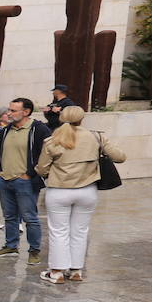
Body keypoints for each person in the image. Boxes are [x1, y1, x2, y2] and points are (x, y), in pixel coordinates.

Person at [36, 105, 125, 283]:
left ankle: (57, 272)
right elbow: (120, 157)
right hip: (87, 191)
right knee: (80, 231)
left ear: (61, 118)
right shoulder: (96, 136)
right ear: (82, 118)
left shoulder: (52, 140)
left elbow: (42, 169)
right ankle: (76, 270)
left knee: (58, 232)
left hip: (59, 190)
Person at [0, 97, 51, 265]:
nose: (8, 113)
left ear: (26, 112)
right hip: (5, 180)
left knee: (30, 218)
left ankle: (34, 250)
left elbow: (46, 154)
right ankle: (11, 246)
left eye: (13, 110)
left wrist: (31, 174)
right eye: (8, 110)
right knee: (9, 216)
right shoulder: (5, 130)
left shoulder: (39, 129)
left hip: (25, 181)